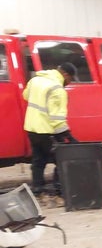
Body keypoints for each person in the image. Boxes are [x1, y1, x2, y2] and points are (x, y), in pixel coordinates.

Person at [22, 61, 79, 208]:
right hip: (47, 130)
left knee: (38, 161)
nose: (69, 82)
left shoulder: (35, 80)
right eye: (71, 79)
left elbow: (26, 96)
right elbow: (57, 119)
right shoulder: (57, 90)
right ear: (65, 74)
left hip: (31, 128)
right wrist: (69, 137)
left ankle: (38, 193)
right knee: (61, 160)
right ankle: (59, 195)